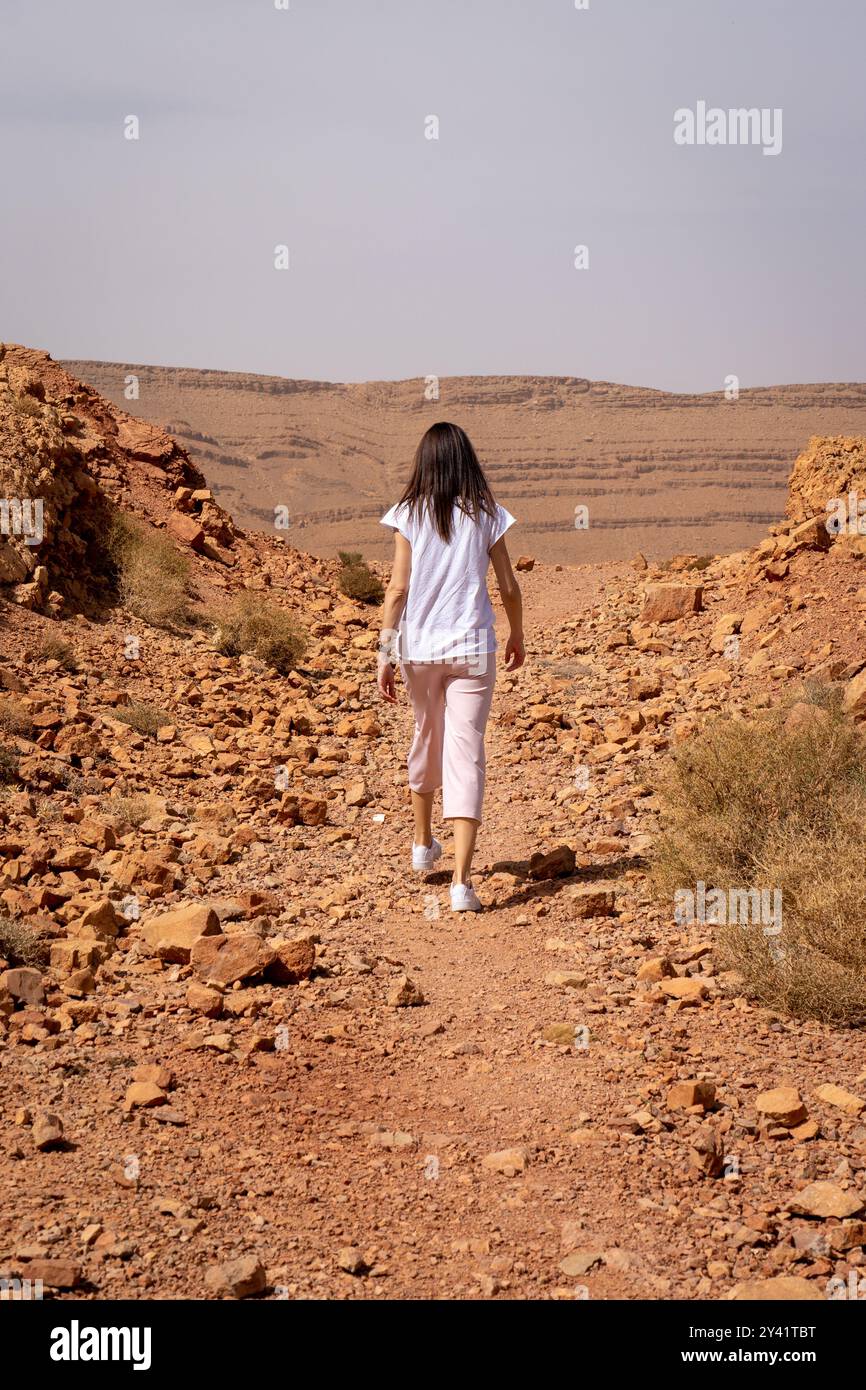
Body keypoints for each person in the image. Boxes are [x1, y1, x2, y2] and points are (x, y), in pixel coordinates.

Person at [377, 421, 525, 911]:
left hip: (419, 649)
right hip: (473, 649)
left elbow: (397, 589)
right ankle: (461, 884)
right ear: (467, 460)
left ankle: (423, 846)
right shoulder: (487, 514)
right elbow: (507, 586)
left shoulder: (408, 514)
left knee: (425, 734)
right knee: (466, 751)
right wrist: (517, 633)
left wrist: (385, 651)